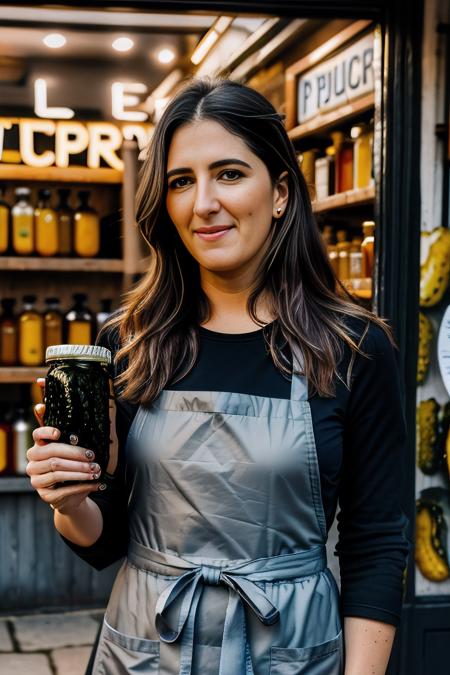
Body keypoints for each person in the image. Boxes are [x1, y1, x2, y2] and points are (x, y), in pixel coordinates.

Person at [26, 77, 409, 675]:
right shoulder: (128, 343)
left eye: (229, 173)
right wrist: (70, 498)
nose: (203, 203)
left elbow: (377, 543)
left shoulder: (354, 348)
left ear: (281, 191)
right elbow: (104, 542)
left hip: (288, 651)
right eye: (182, 181)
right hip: (149, 647)